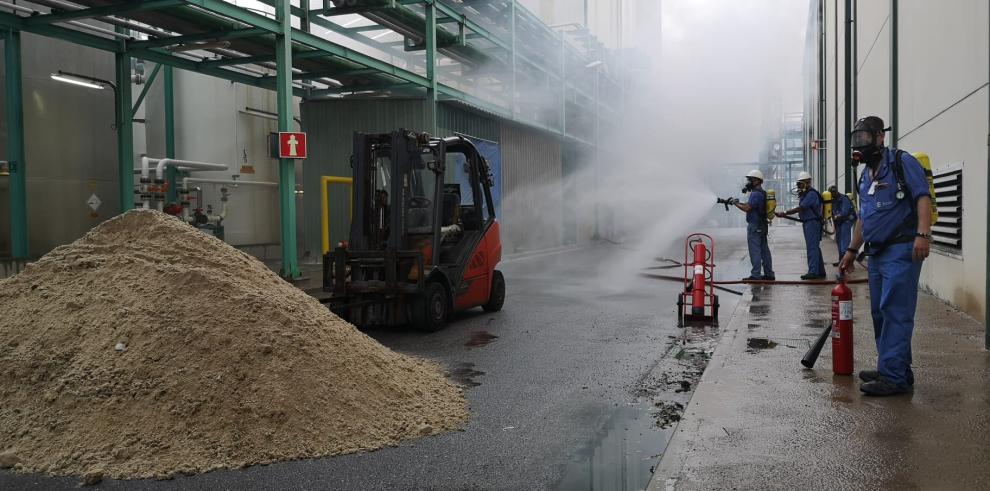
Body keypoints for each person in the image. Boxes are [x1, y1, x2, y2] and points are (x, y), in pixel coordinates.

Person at [839, 116, 932, 396]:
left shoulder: (902, 163)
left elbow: (922, 197)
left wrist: (923, 235)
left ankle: (893, 377)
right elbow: (863, 219)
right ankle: (895, 367)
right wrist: (851, 250)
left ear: (880, 137)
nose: (860, 144)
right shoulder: (865, 176)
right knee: (880, 312)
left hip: (902, 249)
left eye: (865, 138)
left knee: (896, 311)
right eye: (856, 139)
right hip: (877, 254)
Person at [775, 172, 826, 279]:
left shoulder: (811, 194)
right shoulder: (806, 194)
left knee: (812, 248)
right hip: (809, 222)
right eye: (798, 184)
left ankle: (813, 272)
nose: (799, 187)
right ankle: (820, 271)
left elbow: (801, 208)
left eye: (801, 184)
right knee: (815, 247)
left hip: (812, 223)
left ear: (808, 182)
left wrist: (785, 212)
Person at [733, 170, 775, 281]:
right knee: (764, 250)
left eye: (751, 180)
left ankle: (756, 275)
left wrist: (736, 204)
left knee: (755, 250)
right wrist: (738, 203)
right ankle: (769, 274)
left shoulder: (755, 194)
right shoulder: (762, 193)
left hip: (755, 226)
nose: (749, 182)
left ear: (757, 181)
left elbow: (747, 208)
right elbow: (750, 205)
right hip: (762, 225)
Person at [829, 185, 857, 267]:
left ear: (836, 192)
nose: (833, 194)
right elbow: (832, 211)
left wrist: (837, 216)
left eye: (834, 192)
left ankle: (848, 263)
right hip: (839, 222)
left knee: (844, 242)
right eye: (832, 193)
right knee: (838, 241)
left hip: (847, 221)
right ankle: (841, 260)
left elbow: (845, 211)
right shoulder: (832, 200)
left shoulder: (844, 199)